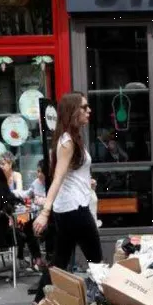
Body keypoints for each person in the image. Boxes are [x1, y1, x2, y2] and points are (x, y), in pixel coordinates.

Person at [34, 91, 103, 274]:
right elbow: (58, 177)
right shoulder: (67, 142)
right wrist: (45, 212)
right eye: (84, 107)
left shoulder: (72, 139)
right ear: (73, 111)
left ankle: (39, 302)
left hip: (69, 208)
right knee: (96, 261)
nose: (89, 111)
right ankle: (107, 300)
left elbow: (72, 174)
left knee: (59, 263)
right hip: (75, 209)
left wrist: (87, 182)